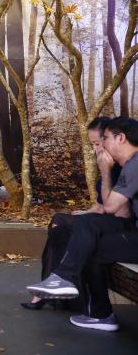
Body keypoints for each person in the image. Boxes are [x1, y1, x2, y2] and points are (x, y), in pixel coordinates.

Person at [26, 116, 138, 331]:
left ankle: (68, 283)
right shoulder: (130, 165)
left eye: (105, 138)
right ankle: (94, 309)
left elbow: (112, 208)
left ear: (121, 138)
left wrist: (105, 170)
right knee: (87, 230)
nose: (102, 145)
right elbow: (108, 206)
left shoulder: (135, 164)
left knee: (88, 238)